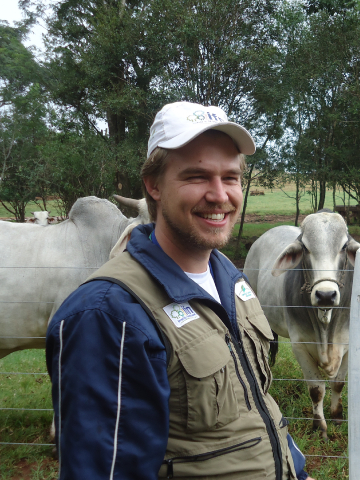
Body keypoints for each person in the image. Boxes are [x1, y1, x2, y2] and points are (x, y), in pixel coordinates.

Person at [46, 102, 313, 480]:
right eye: (197, 176)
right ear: (153, 185)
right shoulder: (108, 314)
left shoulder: (230, 278)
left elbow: (257, 405)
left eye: (231, 177)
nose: (220, 195)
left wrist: (297, 470)